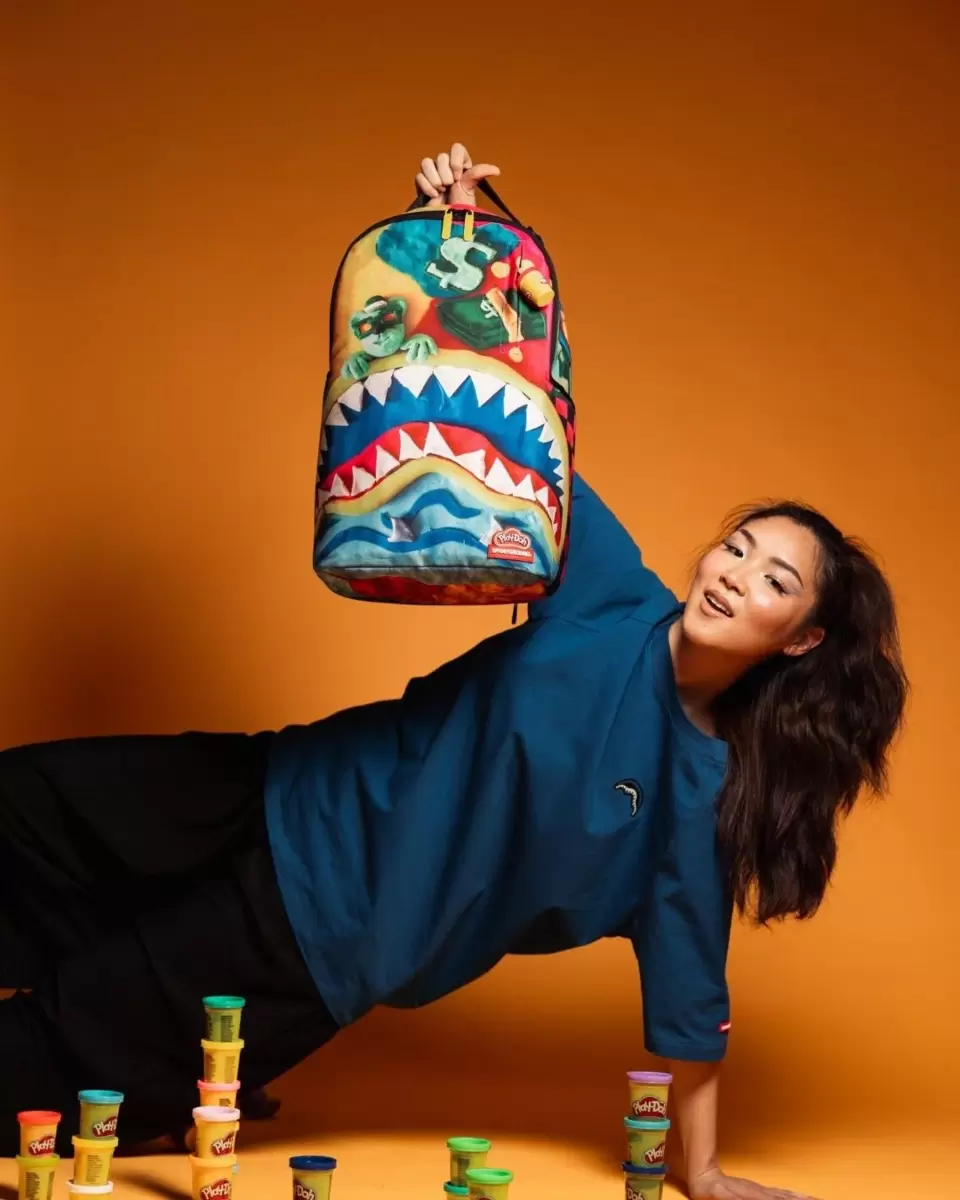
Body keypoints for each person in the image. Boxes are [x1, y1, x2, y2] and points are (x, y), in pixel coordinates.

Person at [0, 143, 907, 1200]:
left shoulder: (696, 806)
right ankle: (172, 1084)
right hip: (280, 785)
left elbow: (688, 1006)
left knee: (43, 1052)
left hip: (321, 931)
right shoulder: (612, 592)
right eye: (738, 548)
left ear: (801, 639)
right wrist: (465, 246)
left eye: (774, 581)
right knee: (24, 809)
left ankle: (171, 1086)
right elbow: (513, 432)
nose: (735, 574)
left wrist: (699, 1173)